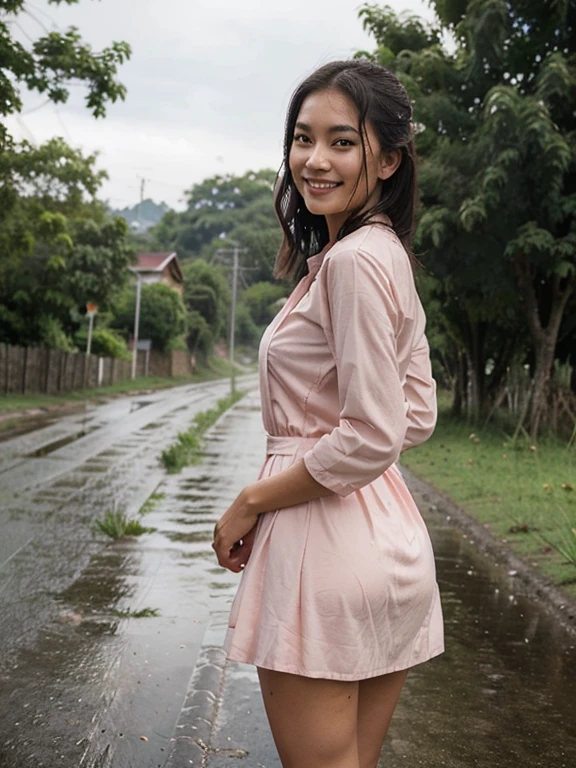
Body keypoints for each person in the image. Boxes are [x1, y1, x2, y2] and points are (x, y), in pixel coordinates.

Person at [212, 58, 444, 768]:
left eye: (342, 141)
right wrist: (355, 451)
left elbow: (374, 430)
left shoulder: (351, 265)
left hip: (322, 553)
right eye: (302, 138)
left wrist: (251, 499)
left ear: (389, 159)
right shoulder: (383, 255)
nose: (315, 160)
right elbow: (418, 410)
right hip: (388, 541)